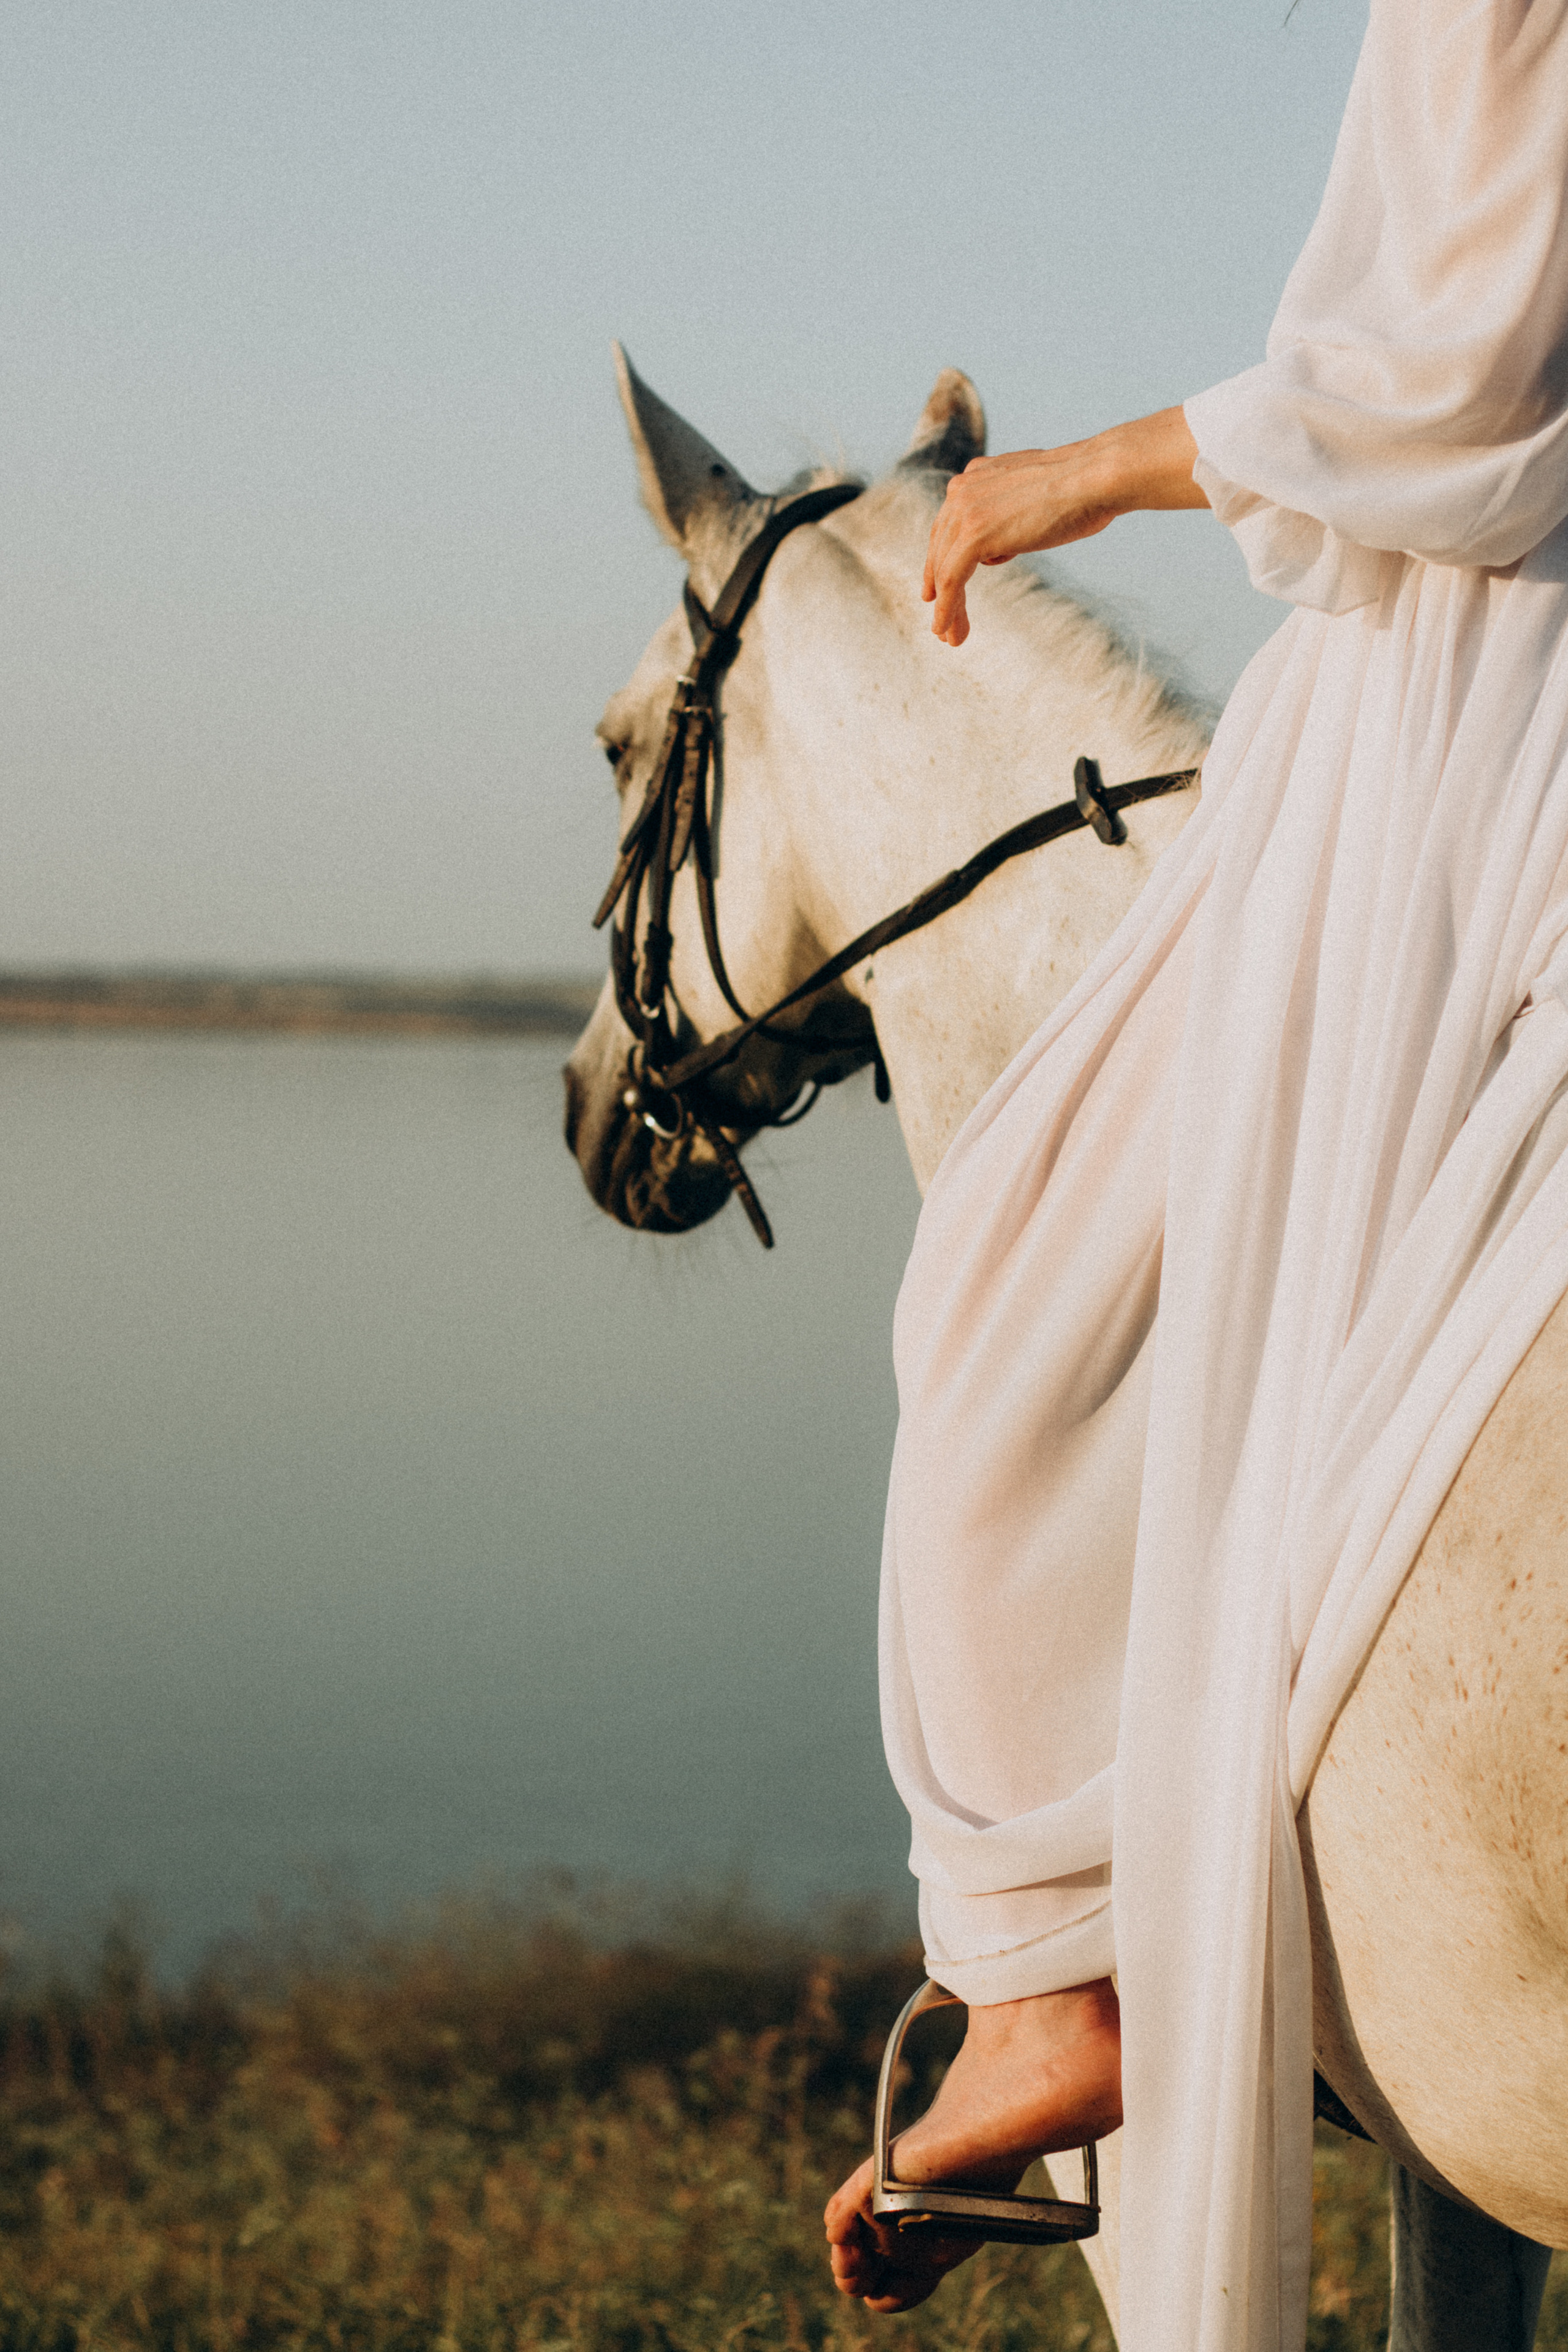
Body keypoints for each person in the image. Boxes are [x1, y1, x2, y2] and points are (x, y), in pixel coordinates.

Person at [824, 4, 1568, 2346]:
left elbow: (1462, 384)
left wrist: (1081, 476)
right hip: (1450, 663)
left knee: (1011, 1280)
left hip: (1467, 694)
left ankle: (1057, 1987)